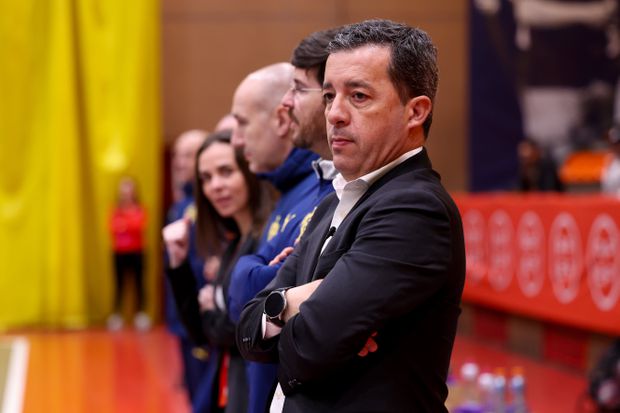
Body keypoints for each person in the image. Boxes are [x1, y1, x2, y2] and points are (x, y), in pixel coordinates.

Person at [236, 19, 466, 413]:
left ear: (415, 112)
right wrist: (292, 301)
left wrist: (287, 317)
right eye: (328, 96)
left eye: (358, 96)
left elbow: (309, 349)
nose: (334, 114)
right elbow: (247, 331)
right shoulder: (332, 203)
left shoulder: (415, 209)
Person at [227, 39, 338, 413]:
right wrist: (256, 276)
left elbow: (301, 302)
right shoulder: (290, 189)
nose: (236, 140)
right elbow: (245, 300)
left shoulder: (327, 192)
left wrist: (254, 277)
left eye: (242, 123)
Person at [163, 130, 272, 413]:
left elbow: (246, 330)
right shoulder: (234, 243)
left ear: (249, 169)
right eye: (206, 178)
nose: (215, 186)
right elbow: (205, 333)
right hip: (228, 387)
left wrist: (214, 311)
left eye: (226, 172)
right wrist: (178, 263)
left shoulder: (268, 238)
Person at [164, 129, 211, 407]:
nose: (181, 162)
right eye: (177, 155)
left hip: (204, 317)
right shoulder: (181, 205)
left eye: (188, 155)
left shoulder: (214, 204)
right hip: (182, 313)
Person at [107, 176, 149, 331]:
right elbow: (113, 227)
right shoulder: (116, 210)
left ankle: (141, 314)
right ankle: (117, 314)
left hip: (137, 251)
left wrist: (125, 225)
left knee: (139, 284)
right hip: (119, 252)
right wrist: (126, 225)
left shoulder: (140, 208)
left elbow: (138, 225)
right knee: (119, 284)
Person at [601, 124, 620, 196]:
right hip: (610, 200)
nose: (615, 146)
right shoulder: (609, 160)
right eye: (612, 144)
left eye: (617, 143)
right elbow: (606, 187)